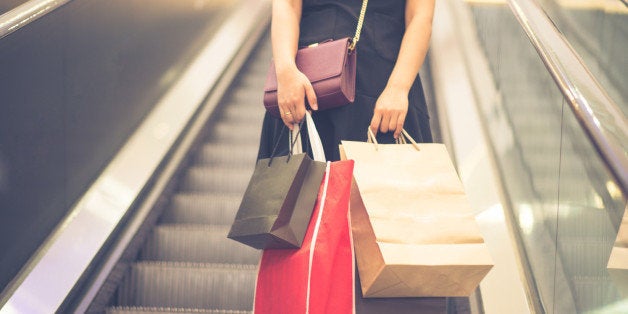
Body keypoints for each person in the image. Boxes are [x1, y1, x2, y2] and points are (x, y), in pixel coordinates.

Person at [258, 0, 435, 161]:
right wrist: (285, 71)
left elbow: (420, 16)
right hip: (302, 87)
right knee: (290, 190)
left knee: (374, 192)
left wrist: (398, 88)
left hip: (380, 93)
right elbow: (287, 5)